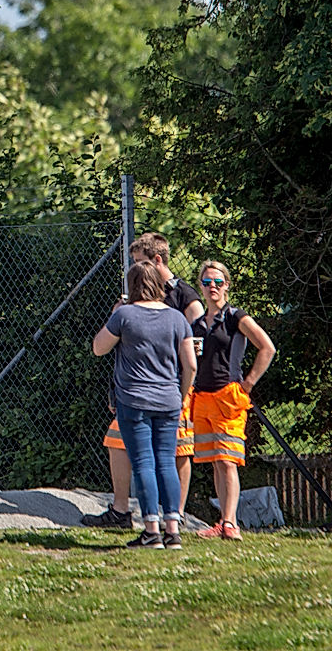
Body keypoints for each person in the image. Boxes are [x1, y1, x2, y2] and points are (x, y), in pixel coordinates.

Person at [83, 232, 204, 529]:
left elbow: (198, 342)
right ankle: (128, 512)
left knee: (173, 454)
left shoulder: (183, 296)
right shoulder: (141, 310)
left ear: (156, 261)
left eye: (140, 263)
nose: (137, 269)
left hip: (164, 388)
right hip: (162, 391)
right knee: (126, 445)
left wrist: (184, 388)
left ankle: (170, 517)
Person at [191, 260, 276, 541]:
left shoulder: (236, 317)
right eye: (206, 282)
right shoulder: (197, 324)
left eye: (217, 282)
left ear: (226, 285)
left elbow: (267, 347)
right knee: (216, 460)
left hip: (229, 397)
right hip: (202, 397)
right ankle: (223, 521)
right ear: (201, 287)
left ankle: (230, 523)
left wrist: (249, 382)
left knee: (228, 460)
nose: (212, 287)